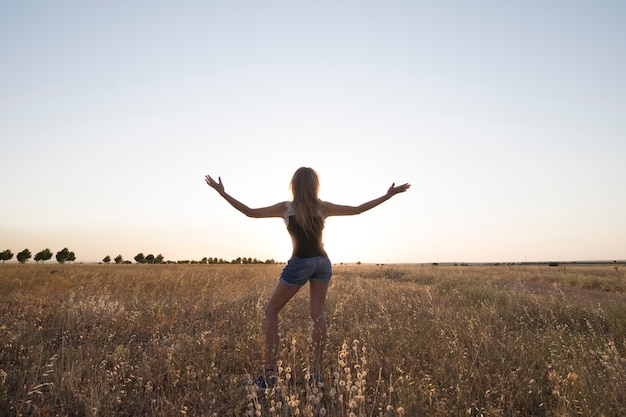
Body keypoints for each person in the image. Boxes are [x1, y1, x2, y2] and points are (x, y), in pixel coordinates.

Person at [204, 167, 410, 389]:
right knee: (317, 314)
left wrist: (221, 192)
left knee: (271, 311)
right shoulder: (322, 207)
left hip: (301, 262)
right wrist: (388, 196)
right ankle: (315, 374)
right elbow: (359, 209)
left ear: (294, 185)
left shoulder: (287, 208)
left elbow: (250, 212)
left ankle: (270, 374)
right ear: (315, 185)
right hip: (322, 262)